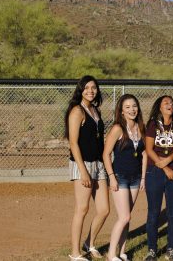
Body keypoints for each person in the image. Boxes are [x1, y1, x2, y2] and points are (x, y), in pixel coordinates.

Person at [65, 75, 109, 261]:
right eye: (86, 87)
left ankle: (88, 244)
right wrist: (83, 171)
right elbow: (73, 143)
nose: (90, 91)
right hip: (82, 164)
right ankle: (75, 253)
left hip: (99, 164)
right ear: (80, 90)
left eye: (94, 87)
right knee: (82, 208)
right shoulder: (77, 111)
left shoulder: (95, 110)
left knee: (104, 209)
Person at [103, 94, 147, 261]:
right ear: (121, 111)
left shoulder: (140, 128)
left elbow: (144, 154)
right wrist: (111, 177)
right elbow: (106, 154)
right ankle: (111, 254)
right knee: (124, 217)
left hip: (135, 178)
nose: (132, 109)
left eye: (134, 106)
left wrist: (143, 178)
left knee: (128, 216)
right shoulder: (117, 129)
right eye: (127, 107)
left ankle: (122, 251)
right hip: (120, 177)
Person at [144, 95, 173, 261]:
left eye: (172, 102)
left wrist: (168, 162)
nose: (170, 105)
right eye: (166, 103)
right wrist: (164, 167)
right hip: (155, 172)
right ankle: (152, 250)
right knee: (153, 212)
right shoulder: (153, 124)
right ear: (160, 107)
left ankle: (172, 248)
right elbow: (149, 149)